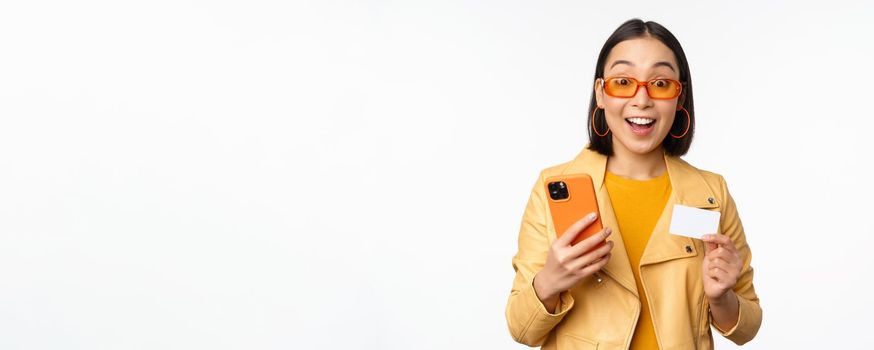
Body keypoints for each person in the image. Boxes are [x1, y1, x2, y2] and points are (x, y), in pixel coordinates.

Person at [504, 19, 762, 349]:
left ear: (679, 98)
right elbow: (521, 329)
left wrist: (722, 297)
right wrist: (550, 282)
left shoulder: (711, 194)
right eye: (623, 81)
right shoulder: (553, 187)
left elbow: (747, 327)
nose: (642, 99)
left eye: (661, 83)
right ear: (600, 93)